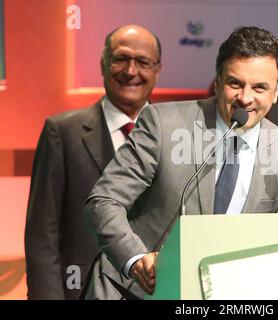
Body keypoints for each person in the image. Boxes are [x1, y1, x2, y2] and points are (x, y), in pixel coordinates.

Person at [82, 26, 278, 300]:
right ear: (218, 80)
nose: (245, 98)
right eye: (235, 83)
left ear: (276, 92)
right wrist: (135, 259)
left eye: (260, 87)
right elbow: (104, 201)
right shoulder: (163, 124)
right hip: (131, 291)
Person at [24, 25, 162, 299]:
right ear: (103, 64)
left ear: (157, 69)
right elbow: (43, 233)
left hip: (158, 290)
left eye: (143, 62)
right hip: (83, 290)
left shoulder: (177, 135)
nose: (131, 71)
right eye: (121, 59)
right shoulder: (62, 132)